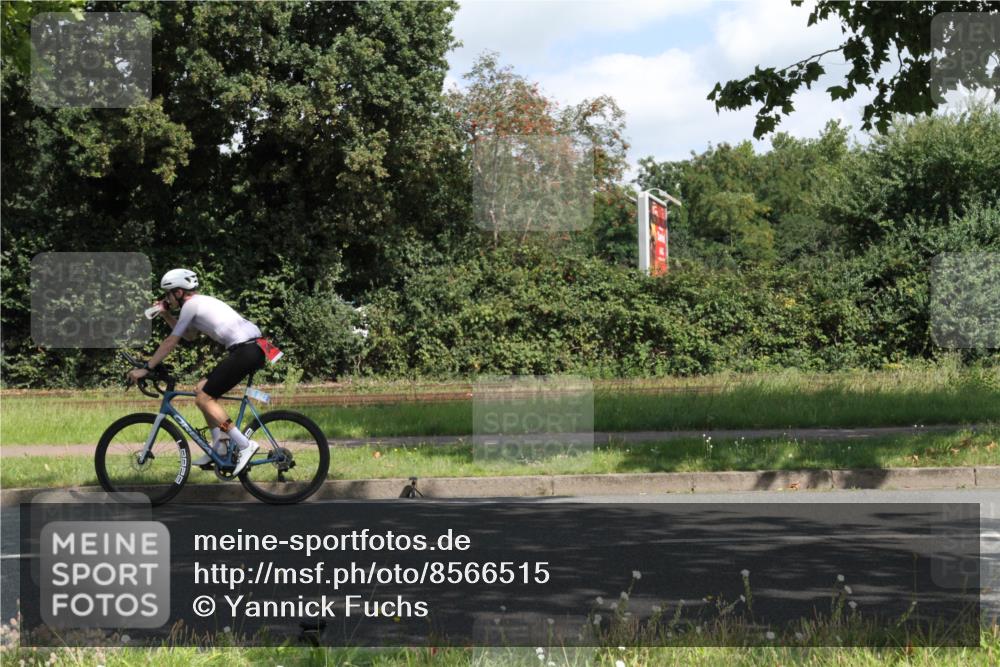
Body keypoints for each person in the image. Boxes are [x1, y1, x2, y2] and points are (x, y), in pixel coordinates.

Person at [127, 269, 264, 475]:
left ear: (179, 292)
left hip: (246, 350)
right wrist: (165, 314)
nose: (167, 299)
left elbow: (171, 341)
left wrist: (147, 368)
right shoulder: (197, 304)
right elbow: (189, 336)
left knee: (204, 399)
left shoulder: (191, 305)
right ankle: (221, 445)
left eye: (168, 294)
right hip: (251, 348)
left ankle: (244, 444)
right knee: (201, 389)